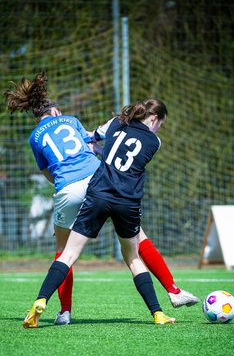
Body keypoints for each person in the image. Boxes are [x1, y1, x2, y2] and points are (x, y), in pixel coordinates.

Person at [4, 73, 199, 326]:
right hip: (99, 180)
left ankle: (62, 312)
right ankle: (171, 293)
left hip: (67, 189)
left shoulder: (34, 138)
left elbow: (48, 173)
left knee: (64, 251)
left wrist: (65, 204)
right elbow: (89, 143)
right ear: (56, 113)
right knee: (138, 242)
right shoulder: (71, 120)